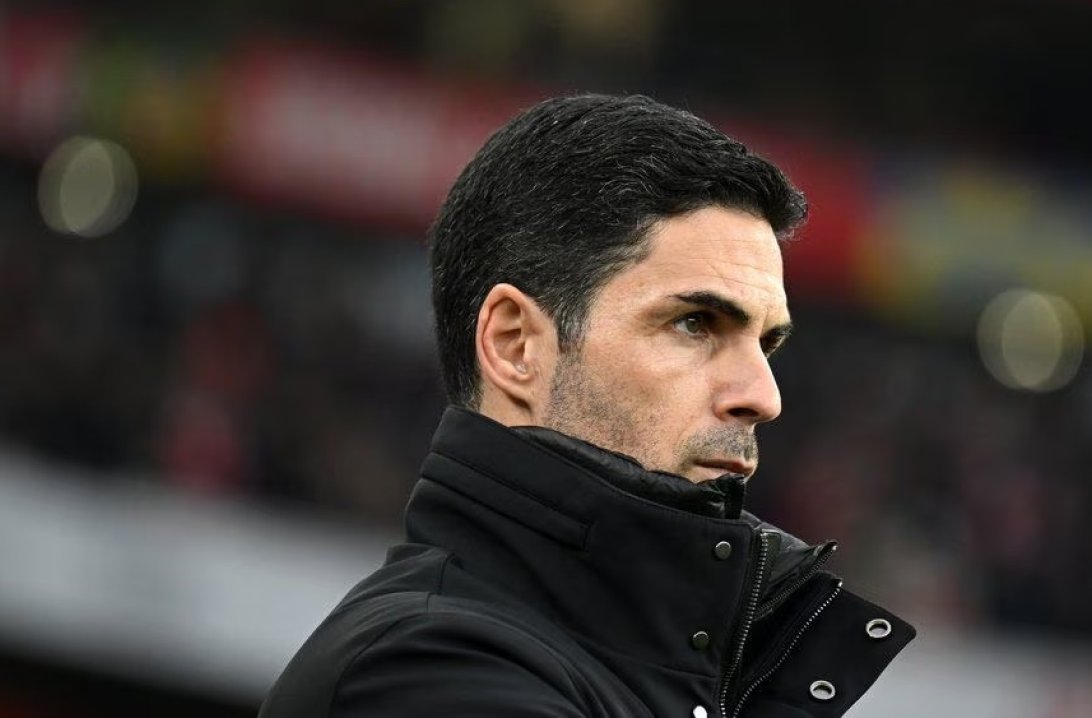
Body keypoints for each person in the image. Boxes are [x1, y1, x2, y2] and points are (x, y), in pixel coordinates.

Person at [259, 94, 913, 717]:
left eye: (765, 344)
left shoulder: (636, 673)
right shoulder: (426, 672)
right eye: (694, 323)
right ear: (515, 345)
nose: (764, 397)